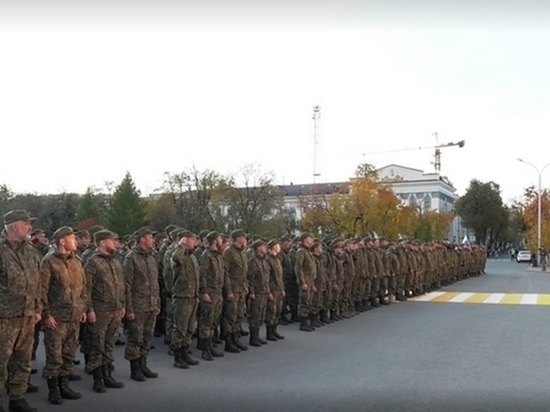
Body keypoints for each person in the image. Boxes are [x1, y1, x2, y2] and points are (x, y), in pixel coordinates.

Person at [40, 226, 89, 405]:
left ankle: (64, 385)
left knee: (69, 353)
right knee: (55, 355)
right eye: (72, 238)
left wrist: (83, 308)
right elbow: (42, 290)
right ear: (62, 241)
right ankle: (53, 390)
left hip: (74, 315)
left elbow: (83, 288)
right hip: (57, 317)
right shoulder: (49, 262)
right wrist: (46, 314)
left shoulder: (77, 261)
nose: (75, 241)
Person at [0, 210, 42, 412]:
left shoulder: (30, 250)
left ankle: (17, 397)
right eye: (26, 224)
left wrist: (37, 308)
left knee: (23, 360)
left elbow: (37, 281)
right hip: (5, 317)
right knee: (1, 361)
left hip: (27, 315)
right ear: (14, 227)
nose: (30, 228)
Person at [83, 230, 126, 393]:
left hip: (115, 309)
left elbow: (121, 286)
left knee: (109, 344)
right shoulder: (93, 262)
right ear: (102, 242)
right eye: (111, 240)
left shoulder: (116, 261)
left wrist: (122, 306)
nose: (115, 243)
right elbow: (86, 289)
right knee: (97, 345)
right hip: (100, 310)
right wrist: (89, 309)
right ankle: (98, 378)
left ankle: (108, 375)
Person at [123, 227, 160, 381]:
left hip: (151, 304)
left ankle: (143, 364)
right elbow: (127, 285)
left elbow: (155, 283)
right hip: (137, 305)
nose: (153, 240)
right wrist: (129, 309)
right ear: (142, 239)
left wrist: (157, 302)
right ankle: (135, 368)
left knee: (146, 337)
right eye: (150, 237)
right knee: (135, 338)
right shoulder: (131, 258)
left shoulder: (152, 257)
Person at [197, 231, 231, 361]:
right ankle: (205, 349)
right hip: (210, 292)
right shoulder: (207, 256)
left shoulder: (218, 256)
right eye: (220, 239)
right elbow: (202, 275)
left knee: (214, 321)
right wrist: (204, 292)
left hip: (218, 292)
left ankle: (210, 346)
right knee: (207, 321)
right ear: (215, 241)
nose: (221, 241)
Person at [170, 231, 201, 368]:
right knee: (180, 328)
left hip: (193, 296)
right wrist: (181, 245)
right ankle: (177, 357)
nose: (195, 242)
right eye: (192, 239)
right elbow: (176, 259)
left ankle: (185, 352)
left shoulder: (192, 257)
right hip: (182, 296)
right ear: (185, 240)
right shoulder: (178, 254)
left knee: (189, 328)